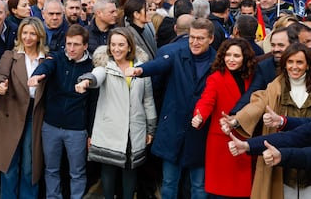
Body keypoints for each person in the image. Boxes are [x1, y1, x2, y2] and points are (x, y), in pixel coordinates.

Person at [125, 18, 216, 199]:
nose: (195, 42)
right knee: (169, 182)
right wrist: (140, 70)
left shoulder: (217, 62)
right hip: (174, 127)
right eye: (192, 37)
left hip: (201, 131)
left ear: (211, 39)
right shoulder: (178, 54)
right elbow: (159, 65)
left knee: (199, 185)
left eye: (200, 38)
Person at [220, 42, 311, 199]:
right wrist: (236, 120)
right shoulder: (276, 86)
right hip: (282, 162)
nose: (294, 67)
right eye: (290, 62)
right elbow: (258, 104)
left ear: (308, 65)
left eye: (299, 62)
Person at [75, 27, 157, 199]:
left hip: (134, 129)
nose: (116, 49)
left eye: (121, 45)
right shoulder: (105, 66)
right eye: (113, 45)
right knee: (108, 170)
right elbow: (96, 77)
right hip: (110, 129)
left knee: (130, 170)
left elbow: (148, 100)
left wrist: (151, 128)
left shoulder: (141, 68)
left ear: (129, 46)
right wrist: (85, 82)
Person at [0, 17, 47, 198]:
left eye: (32, 33)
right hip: (11, 112)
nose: (28, 37)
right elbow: (0, 75)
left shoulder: (47, 58)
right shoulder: (11, 55)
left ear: (39, 35)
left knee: (30, 165)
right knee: (9, 163)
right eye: (25, 33)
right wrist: (0, 85)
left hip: (35, 113)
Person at [27, 24, 97, 199]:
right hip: (51, 125)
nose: (71, 49)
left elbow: (94, 103)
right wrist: (37, 75)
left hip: (77, 128)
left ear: (85, 46)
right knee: (51, 169)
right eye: (68, 44)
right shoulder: (57, 58)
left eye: (76, 44)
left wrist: (90, 131)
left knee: (77, 172)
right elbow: (46, 67)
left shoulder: (92, 67)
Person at [191, 38, 257, 198]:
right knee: (222, 192)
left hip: (247, 138)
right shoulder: (216, 78)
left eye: (236, 56)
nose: (231, 59)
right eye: (228, 55)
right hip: (223, 143)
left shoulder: (253, 78)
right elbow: (206, 100)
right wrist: (199, 115)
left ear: (245, 58)